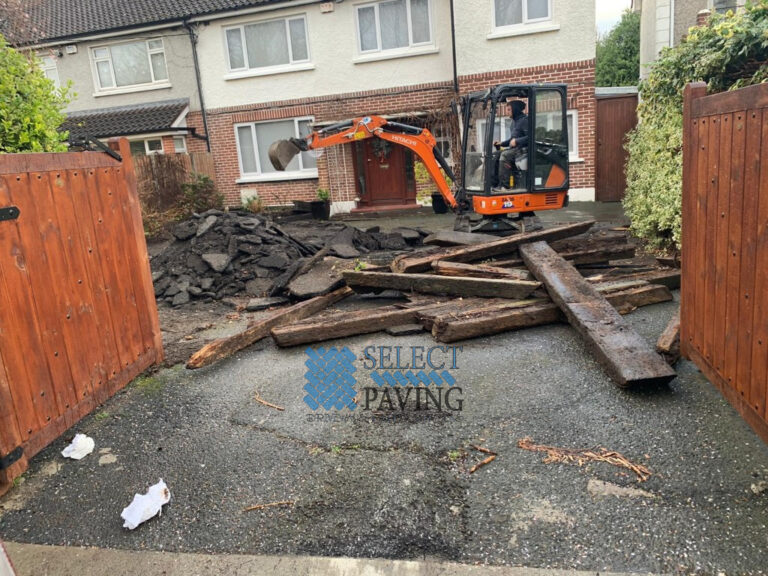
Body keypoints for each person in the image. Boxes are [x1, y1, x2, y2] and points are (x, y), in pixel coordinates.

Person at [493, 100, 529, 190]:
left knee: (504, 155)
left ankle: (506, 185)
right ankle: (497, 184)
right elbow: (511, 140)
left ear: (515, 110)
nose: (507, 112)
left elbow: (530, 137)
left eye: (509, 110)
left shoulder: (524, 121)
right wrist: (502, 143)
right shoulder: (514, 123)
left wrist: (517, 141)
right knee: (496, 155)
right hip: (516, 150)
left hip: (523, 151)